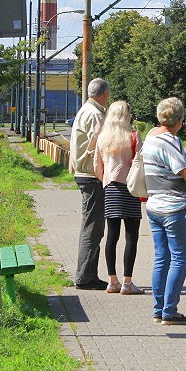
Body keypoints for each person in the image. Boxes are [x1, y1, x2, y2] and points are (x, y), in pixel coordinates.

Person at [143, 97, 186, 325]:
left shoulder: (150, 137)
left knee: (161, 258)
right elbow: (185, 171)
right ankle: (170, 311)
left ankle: (159, 309)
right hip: (173, 208)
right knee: (180, 258)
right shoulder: (170, 141)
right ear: (179, 120)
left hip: (154, 206)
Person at [94, 100, 144, 295]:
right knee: (131, 236)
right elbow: (141, 162)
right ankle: (127, 282)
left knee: (112, 236)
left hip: (111, 190)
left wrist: (107, 180)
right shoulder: (133, 137)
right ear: (126, 116)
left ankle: (111, 281)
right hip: (131, 190)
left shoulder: (102, 139)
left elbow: (97, 168)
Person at [70, 77, 110, 290]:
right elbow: (100, 146)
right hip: (92, 176)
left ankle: (90, 275)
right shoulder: (95, 115)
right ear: (105, 94)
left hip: (85, 174)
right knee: (93, 227)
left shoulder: (86, 110)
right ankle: (84, 276)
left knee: (93, 227)